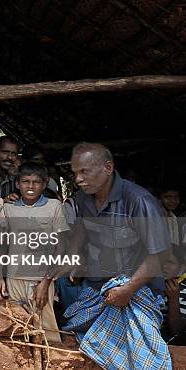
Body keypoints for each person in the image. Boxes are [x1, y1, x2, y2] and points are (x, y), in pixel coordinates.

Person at [60, 143, 171, 369]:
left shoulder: (139, 201)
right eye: (75, 173)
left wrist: (128, 290)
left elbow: (160, 254)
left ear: (108, 167)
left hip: (138, 289)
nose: (78, 179)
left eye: (84, 172)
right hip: (97, 289)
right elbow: (81, 231)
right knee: (74, 329)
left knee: (142, 355)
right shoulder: (83, 198)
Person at [0, 163, 69, 343]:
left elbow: (61, 247)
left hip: (41, 279)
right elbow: (2, 244)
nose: (30, 186)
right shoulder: (9, 208)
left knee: (46, 332)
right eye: (26, 181)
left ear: (44, 185)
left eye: (36, 182)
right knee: (17, 330)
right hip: (13, 278)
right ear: (18, 184)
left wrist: (46, 281)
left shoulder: (54, 206)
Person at [0, 136, 20, 202]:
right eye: (5, 152)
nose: (10, 157)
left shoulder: (15, 176)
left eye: (13, 154)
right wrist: (2, 202)